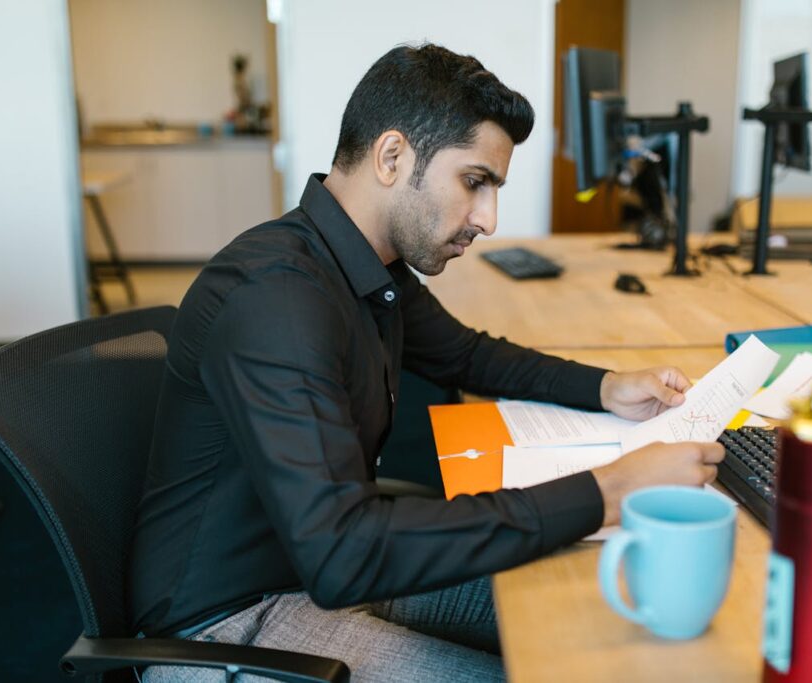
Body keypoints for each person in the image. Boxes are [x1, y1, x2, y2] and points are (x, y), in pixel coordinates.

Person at [133, 43, 724, 682]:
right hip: (235, 623)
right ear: (392, 157)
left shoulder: (360, 260)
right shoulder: (277, 298)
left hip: (320, 559)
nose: (489, 219)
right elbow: (342, 555)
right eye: (475, 182)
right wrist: (607, 492)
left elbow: (465, 354)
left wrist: (607, 386)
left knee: (592, 615)